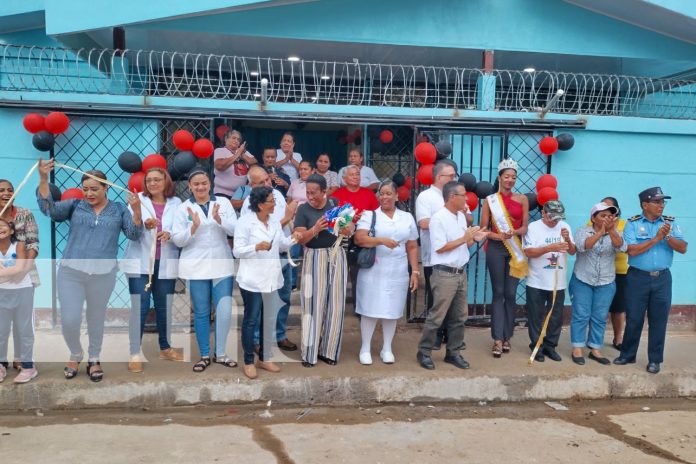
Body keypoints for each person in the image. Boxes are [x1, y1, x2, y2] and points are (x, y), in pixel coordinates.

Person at [37, 159, 143, 382]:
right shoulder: (75, 205)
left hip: (103, 275)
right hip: (71, 272)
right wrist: (44, 178)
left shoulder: (119, 209)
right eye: (85, 189)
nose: (89, 193)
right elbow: (49, 209)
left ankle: (94, 358)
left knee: (96, 318)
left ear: (106, 188)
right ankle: (76, 353)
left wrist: (136, 212)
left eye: (95, 189)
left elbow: (133, 234)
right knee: (70, 318)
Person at [614, 187, 687, 374]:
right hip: (637, 277)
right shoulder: (632, 223)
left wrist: (667, 236)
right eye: (657, 202)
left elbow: (683, 248)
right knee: (634, 318)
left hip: (662, 278)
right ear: (645, 205)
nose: (661, 205)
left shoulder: (670, 223)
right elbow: (631, 250)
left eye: (663, 202)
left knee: (658, 320)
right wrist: (656, 239)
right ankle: (627, 355)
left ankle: (655, 360)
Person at [171, 170, 237, 373]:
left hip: (221, 264)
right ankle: (205, 355)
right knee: (201, 312)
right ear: (190, 186)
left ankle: (221, 353)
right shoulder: (184, 208)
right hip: (195, 266)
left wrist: (219, 220)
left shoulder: (224, 204)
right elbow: (177, 239)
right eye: (196, 184)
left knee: (224, 311)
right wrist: (193, 228)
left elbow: (235, 230)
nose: (200, 187)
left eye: (204, 183)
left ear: (210, 184)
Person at [121, 168, 183, 373]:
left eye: (157, 179)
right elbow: (131, 230)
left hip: (165, 261)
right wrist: (142, 221)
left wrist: (170, 233)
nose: (153, 183)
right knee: (141, 306)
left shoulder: (177, 203)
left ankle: (165, 347)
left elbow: (182, 229)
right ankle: (134, 352)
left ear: (166, 181)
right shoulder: (137, 200)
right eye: (149, 180)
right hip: (140, 263)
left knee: (164, 306)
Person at [234, 186, 298, 379]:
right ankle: (248, 361)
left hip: (272, 278)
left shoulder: (274, 223)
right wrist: (255, 247)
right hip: (252, 280)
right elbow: (237, 251)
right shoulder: (245, 222)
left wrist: (295, 238)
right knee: (251, 320)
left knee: (268, 318)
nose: (274, 204)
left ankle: (264, 358)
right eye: (271, 201)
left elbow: (281, 244)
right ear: (260, 204)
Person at [416, 181, 481, 370]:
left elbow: (461, 245)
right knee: (437, 316)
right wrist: (465, 238)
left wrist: (473, 239)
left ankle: (453, 353)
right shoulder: (438, 218)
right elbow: (440, 247)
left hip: (460, 272)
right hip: (444, 273)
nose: (466, 198)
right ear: (452, 197)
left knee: (460, 316)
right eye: (463, 195)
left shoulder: (460, 217)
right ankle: (424, 351)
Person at [353, 180, 419, 365]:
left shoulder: (407, 217)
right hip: (374, 268)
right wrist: (381, 240)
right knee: (369, 308)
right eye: (381, 193)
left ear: (397, 196)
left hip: (397, 269)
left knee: (392, 309)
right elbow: (359, 239)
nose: (384, 197)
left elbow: (412, 245)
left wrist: (415, 271)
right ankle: (365, 347)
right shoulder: (370, 215)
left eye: (389, 193)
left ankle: (387, 348)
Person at [293, 174, 354, 367]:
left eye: (314, 193)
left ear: (324, 191)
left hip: (336, 254)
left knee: (336, 305)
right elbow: (300, 238)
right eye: (308, 192)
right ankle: (309, 353)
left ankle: (329, 351)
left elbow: (349, 229)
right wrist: (315, 229)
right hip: (314, 256)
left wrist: (347, 228)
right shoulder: (303, 209)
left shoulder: (335, 205)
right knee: (313, 304)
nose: (310, 196)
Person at [240, 166, 299, 352]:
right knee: (261, 302)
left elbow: (282, 227)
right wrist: (286, 218)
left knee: (284, 297)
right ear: (251, 185)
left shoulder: (278, 196)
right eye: (261, 182)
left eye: (267, 179)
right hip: (263, 260)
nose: (267, 184)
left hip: (283, 253)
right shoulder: (248, 205)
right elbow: (261, 233)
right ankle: (256, 340)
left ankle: (279, 335)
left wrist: (296, 232)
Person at [415, 160, 472, 350]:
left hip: (458, 263)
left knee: (458, 312)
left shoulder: (459, 209)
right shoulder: (427, 198)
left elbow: (468, 222)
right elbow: (424, 223)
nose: (453, 178)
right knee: (437, 305)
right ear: (439, 177)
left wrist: (472, 234)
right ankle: (432, 342)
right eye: (450, 175)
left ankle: (453, 346)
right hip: (437, 261)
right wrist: (449, 223)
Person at [478, 159, 529, 358]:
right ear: (500, 178)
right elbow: (484, 229)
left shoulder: (522, 199)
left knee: (511, 293)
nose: (510, 180)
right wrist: (498, 236)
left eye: (513, 177)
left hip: (514, 247)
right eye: (507, 177)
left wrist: (515, 231)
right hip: (496, 247)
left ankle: (508, 335)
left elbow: (525, 226)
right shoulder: (490, 200)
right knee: (498, 292)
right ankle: (497, 339)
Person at [569, 202, 626, 365]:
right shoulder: (582, 231)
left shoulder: (617, 233)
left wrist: (611, 231)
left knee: (600, 317)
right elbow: (582, 247)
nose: (607, 219)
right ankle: (577, 347)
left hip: (606, 282)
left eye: (610, 216)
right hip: (583, 280)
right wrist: (600, 233)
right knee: (581, 314)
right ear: (593, 218)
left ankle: (595, 349)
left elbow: (621, 247)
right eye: (603, 216)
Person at [523, 200, 576, 363]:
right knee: (535, 316)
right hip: (536, 281)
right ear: (543, 213)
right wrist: (549, 248)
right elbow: (529, 251)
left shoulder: (564, 226)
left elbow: (573, 251)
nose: (555, 221)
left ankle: (551, 346)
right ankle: (536, 346)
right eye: (551, 217)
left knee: (555, 317)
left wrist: (567, 240)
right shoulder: (533, 227)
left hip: (557, 282)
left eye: (557, 218)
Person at [0, 178, 40, 372]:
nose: (6, 193)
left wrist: (22, 270)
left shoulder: (25, 214)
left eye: (10, 190)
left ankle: (20, 358)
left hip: (25, 278)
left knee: (22, 323)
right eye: (1, 190)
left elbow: (33, 243)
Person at [331, 165, 379, 308]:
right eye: (352, 175)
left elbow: (376, 216)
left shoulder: (368, 194)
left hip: (362, 236)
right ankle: (337, 306)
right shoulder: (337, 195)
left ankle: (360, 306)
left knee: (359, 273)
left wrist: (363, 218)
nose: (355, 177)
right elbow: (332, 219)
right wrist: (349, 219)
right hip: (342, 237)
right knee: (340, 272)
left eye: (357, 174)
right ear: (344, 179)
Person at [0, 218, 36, 383]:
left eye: (3, 225)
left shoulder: (19, 245)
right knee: (1, 331)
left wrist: (6, 273)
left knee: (24, 330)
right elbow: (16, 270)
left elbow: (21, 267)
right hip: (2, 293)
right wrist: (12, 272)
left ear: (12, 230)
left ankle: (28, 366)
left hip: (23, 291)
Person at [600, 196, 628, 351]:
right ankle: (595, 339)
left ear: (617, 210)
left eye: (610, 208)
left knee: (618, 307)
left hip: (620, 271)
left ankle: (618, 339)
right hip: (600, 271)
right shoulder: (593, 223)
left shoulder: (626, 225)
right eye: (602, 207)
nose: (606, 211)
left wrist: (612, 230)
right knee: (598, 308)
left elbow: (625, 246)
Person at [286, 160, 313, 289]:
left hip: (310, 221)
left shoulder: (316, 184)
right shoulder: (294, 183)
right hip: (295, 222)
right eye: (301, 169)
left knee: (310, 253)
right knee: (293, 252)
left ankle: (309, 284)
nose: (302, 171)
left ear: (312, 170)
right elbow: (289, 202)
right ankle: (292, 284)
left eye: (305, 169)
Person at [213, 129, 257, 202]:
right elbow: (220, 166)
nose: (236, 141)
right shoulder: (220, 151)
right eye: (233, 138)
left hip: (241, 194)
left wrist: (242, 154)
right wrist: (237, 154)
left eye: (238, 139)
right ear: (226, 139)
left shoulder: (242, 152)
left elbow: (255, 164)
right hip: (222, 193)